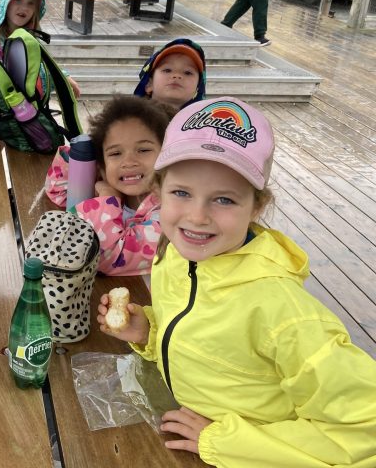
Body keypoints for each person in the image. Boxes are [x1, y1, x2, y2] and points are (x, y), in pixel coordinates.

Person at [97, 96, 376, 467]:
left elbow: (365, 430)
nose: (197, 217)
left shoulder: (287, 315)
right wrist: (150, 332)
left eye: (224, 199)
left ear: (256, 206)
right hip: (181, 422)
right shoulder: (175, 256)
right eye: (181, 192)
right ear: (158, 190)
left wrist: (229, 442)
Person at [45, 95, 174, 276]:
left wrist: (107, 199)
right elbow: (57, 190)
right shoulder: (108, 180)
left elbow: (107, 256)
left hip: (141, 299)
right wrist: (84, 157)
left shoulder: (169, 213)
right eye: (115, 153)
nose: (128, 162)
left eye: (143, 150)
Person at [133, 38, 206, 110]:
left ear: (198, 87)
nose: (177, 76)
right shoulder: (130, 118)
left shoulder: (208, 121)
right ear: (148, 84)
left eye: (188, 73)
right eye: (167, 70)